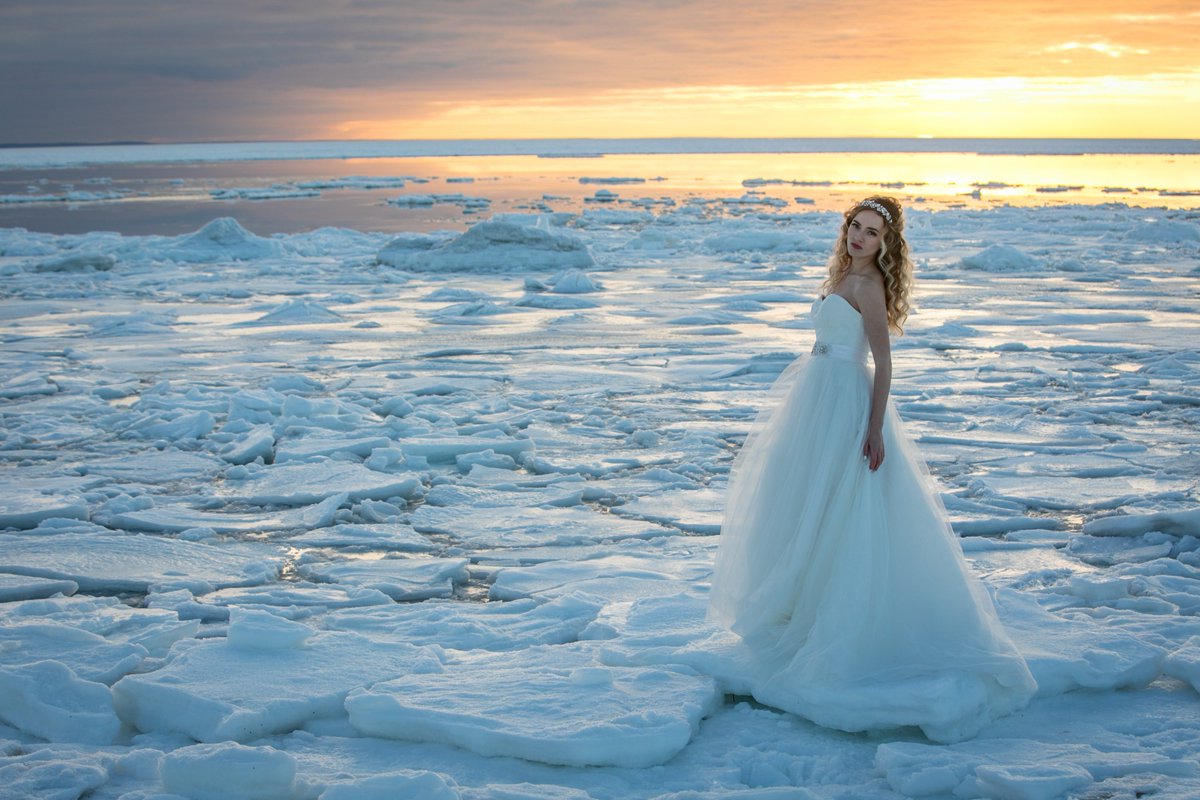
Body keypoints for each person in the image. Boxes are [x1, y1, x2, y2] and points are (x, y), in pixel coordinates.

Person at [707, 196, 1036, 743]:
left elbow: (882, 361)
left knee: (845, 504)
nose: (860, 238)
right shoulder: (841, 276)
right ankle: (802, 605)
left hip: (845, 399)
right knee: (808, 501)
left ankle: (842, 617)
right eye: (856, 228)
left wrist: (875, 426)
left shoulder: (869, 288)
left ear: (887, 244)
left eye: (872, 233)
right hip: (814, 396)